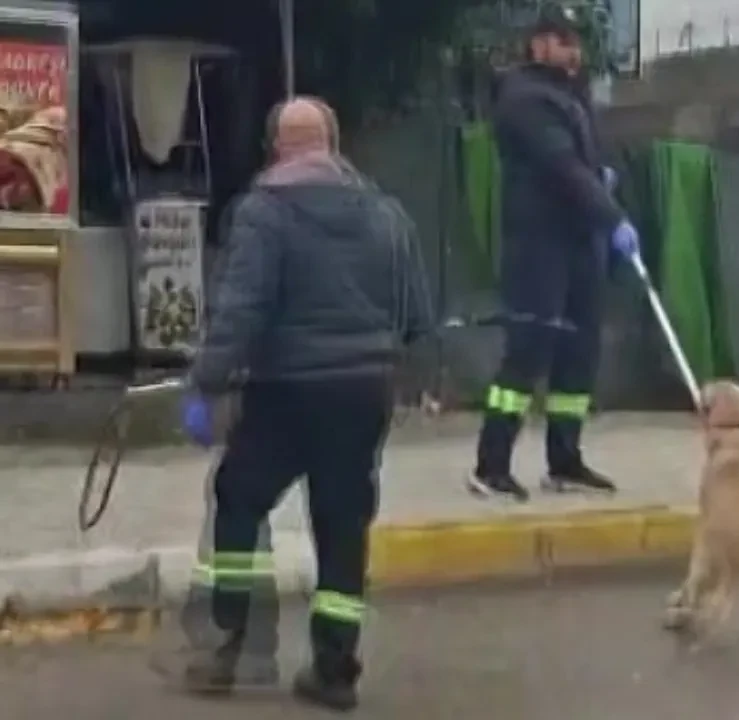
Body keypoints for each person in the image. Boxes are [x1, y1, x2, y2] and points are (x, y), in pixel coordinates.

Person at [177, 96, 432, 712]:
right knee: (343, 526)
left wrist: (206, 382)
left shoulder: (263, 213)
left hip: (287, 391)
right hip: (364, 392)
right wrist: (415, 377)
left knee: (240, 496)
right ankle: (335, 670)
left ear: (275, 149)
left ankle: (226, 645)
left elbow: (242, 310)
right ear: (334, 145)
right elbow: (417, 314)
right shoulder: (387, 212)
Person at [470, 4, 641, 502]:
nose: (574, 52)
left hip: (579, 242)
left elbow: (589, 160)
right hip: (538, 243)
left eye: (577, 42)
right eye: (564, 41)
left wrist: (605, 180)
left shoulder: (572, 94)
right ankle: (491, 465)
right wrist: (611, 216)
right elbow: (561, 166)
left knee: (579, 353)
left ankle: (565, 460)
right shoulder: (523, 97)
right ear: (539, 43)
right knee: (529, 350)